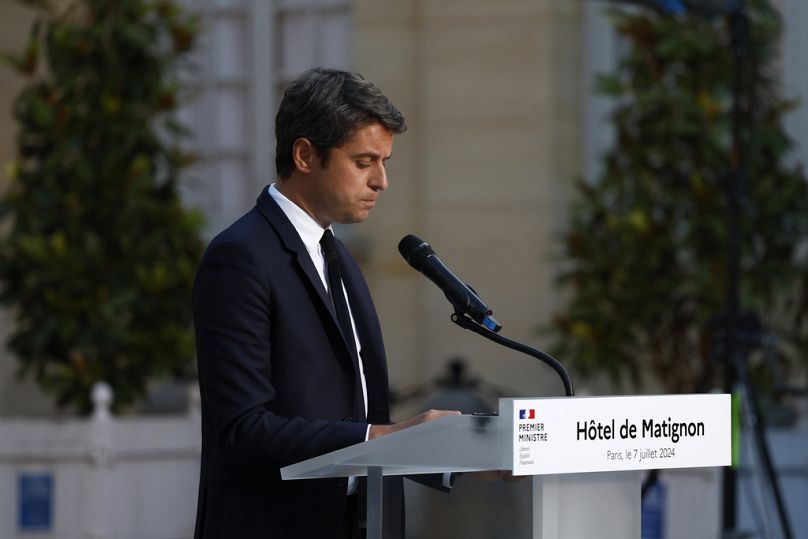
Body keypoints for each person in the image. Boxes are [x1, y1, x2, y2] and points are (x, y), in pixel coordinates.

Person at [192, 67, 458, 539]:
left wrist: (462, 459)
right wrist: (382, 437)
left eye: (385, 161)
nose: (382, 181)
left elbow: (354, 418)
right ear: (305, 155)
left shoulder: (339, 257)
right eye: (364, 162)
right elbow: (241, 429)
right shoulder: (239, 257)